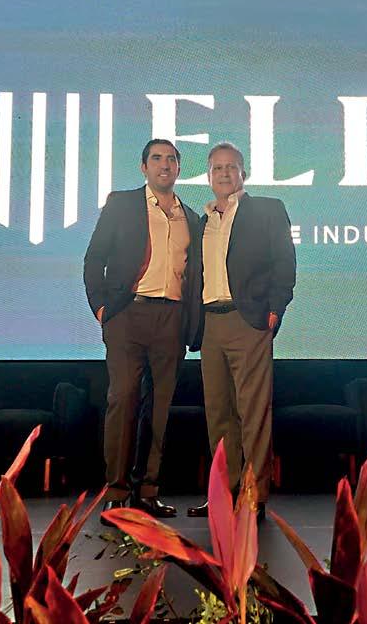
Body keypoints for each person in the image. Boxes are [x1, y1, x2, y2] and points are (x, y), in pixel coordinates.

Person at [84, 139, 201, 518]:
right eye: (156, 158)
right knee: (123, 399)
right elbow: (94, 259)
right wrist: (101, 308)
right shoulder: (122, 204)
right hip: (127, 315)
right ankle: (117, 492)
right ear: (144, 167)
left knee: (160, 407)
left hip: (172, 319)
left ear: (179, 168)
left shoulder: (191, 218)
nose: (164, 165)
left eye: (171, 159)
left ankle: (147, 491)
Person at [187, 142, 296, 520]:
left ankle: (254, 495)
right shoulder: (202, 221)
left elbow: (285, 263)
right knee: (218, 414)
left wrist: (275, 310)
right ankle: (225, 493)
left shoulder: (267, 210)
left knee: (253, 413)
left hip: (248, 321)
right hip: (210, 323)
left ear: (243, 173)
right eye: (217, 168)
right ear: (208, 176)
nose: (224, 173)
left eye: (230, 167)